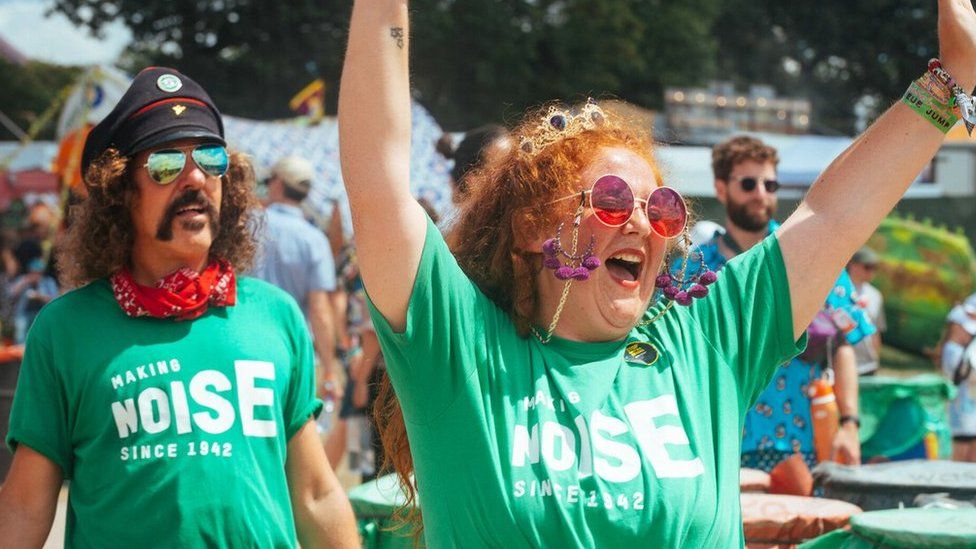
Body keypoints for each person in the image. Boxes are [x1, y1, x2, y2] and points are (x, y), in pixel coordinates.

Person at [338, 1, 976, 545]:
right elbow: (377, 177)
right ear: (534, 227)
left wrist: (954, 80)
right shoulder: (459, 350)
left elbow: (833, 216)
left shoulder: (704, 345)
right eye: (614, 200)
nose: (644, 225)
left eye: (663, 210)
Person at [0, 67, 358, 547]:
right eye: (165, 164)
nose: (194, 178)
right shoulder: (66, 329)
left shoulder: (274, 315)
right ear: (121, 192)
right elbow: (25, 505)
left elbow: (315, 494)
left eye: (210, 158)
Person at [691, 135, 866, 471]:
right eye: (748, 183)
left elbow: (844, 343)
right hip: (719, 447)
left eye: (770, 184)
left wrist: (849, 424)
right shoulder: (693, 269)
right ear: (721, 188)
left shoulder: (808, 252)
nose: (761, 194)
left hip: (808, 443)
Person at [252, 155, 342, 404]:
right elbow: (320, 310)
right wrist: (330, 371)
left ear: (278, 185)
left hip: (244, 345)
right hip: (291, 352)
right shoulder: (314, 240)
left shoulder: (246, 226)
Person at [939, 294, 976, 462]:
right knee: (962, 456)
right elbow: (967, 377)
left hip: (968, 409)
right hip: (962, 411)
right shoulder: (952, 349)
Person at [847, 246, 887, 375]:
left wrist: (876, 359)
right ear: (853, 265)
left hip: (867, 364)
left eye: (874, 268)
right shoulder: (839, 289)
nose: (871, 272)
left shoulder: (876, 295)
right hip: (842, 359)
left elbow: (876, 331)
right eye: (867, 267)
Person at [7, 257, 59, 344]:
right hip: (23, 313)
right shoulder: (23, 279)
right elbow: (10, 294)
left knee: (41, 338)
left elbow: (55, 300)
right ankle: (20, 354)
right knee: (21, 333)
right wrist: (24, 283)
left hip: (41, 314)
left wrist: (40, 296)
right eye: (33, 272)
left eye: (38, 273)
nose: (35, 275)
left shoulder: (48, 282)